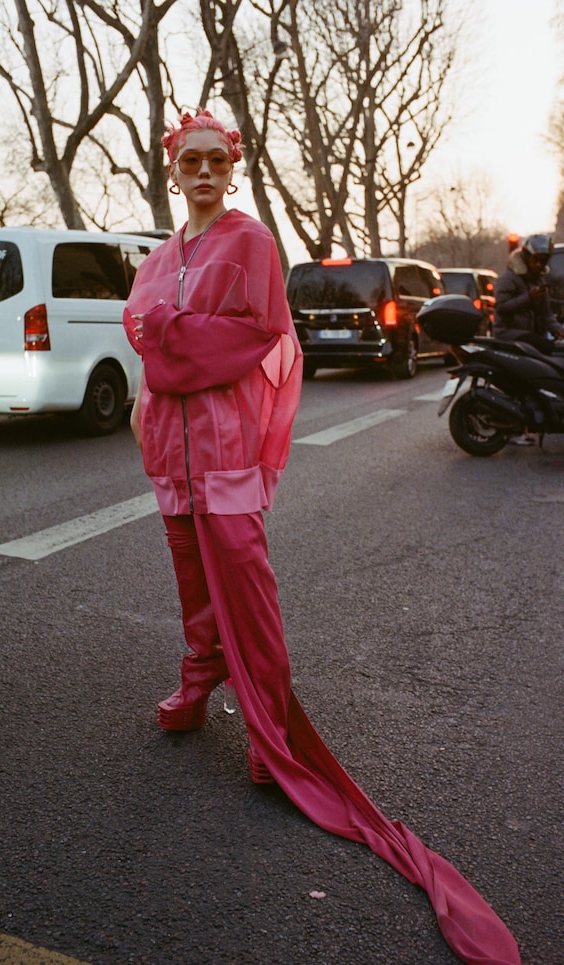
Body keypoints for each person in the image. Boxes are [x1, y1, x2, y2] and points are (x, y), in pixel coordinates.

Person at [123, 109, 521, 965]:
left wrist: (169, 344)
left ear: (232, 167)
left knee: (247, 586)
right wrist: (159, 349)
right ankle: (197, 683)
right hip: (169, 447)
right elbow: (138, 328)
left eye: (213, 160)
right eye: (187, 160)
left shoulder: (251, 242)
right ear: (171, 168)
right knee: (191, 579)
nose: (200, 172)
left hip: (224, 446)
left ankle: (268, 724)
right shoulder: (157, 258)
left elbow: (254, 333)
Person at [492, 233, 564, 444]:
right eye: (536, 260)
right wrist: (527, 298)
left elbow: (546, 313)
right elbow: (501, 308)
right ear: (526, 257)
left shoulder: (538, 279)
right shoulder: (509, 277)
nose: (539, 264)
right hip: (509, 333)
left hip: (528, 334)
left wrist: (558, 329)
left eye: (543, 261)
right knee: (547, 348)